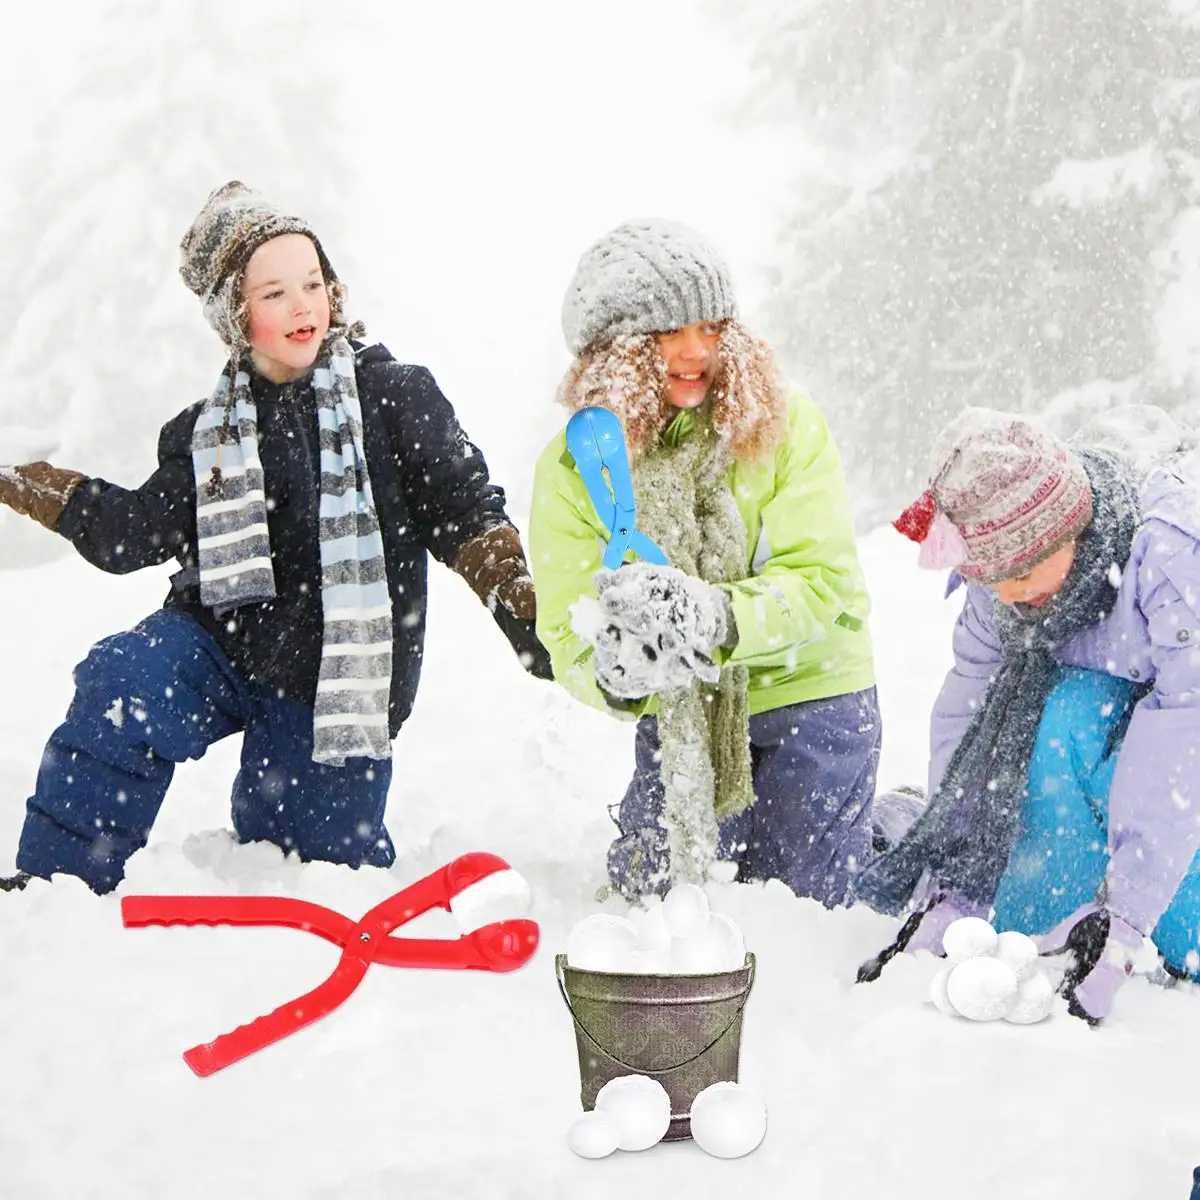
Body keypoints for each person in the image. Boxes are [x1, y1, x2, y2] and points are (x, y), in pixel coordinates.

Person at [0, 181, 549, 894]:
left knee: (307, 862)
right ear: (236, 314)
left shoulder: (396, 399)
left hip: (334, 686)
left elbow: (466, 509)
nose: (301, 306)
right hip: (219, 642)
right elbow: (130, 535)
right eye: (273, 293)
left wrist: (515, 597)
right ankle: (54, 885)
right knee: (122, 682)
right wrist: (33, 482)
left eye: (312, 283)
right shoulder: (209, 433)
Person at [528, 219, 879, 904]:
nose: (697, 352)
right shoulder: (577, 468)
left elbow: (824, 582)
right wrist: (617, 672)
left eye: (713, 327)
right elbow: (567, 627)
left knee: (805, 913)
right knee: (652, 903)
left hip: (812, 692)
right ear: (614, 352)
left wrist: (714, 618)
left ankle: (885, 829)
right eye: (667, 334)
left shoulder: (784, 425)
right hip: (682, 709)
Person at [856, 407, 1200, 1023]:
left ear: (1069, 528)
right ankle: (1050, 911)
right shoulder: (1001, 588)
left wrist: (1129, 919)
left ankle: (1173, 930)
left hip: (1181, 750)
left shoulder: (1167, 555)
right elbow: (968, 715)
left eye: (1022, 569)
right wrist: (954, 878)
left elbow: (1185, 726)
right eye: (991, 578)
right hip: (1094, 739)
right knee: (1057, 714)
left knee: (1101, 735)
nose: (1010, 593)